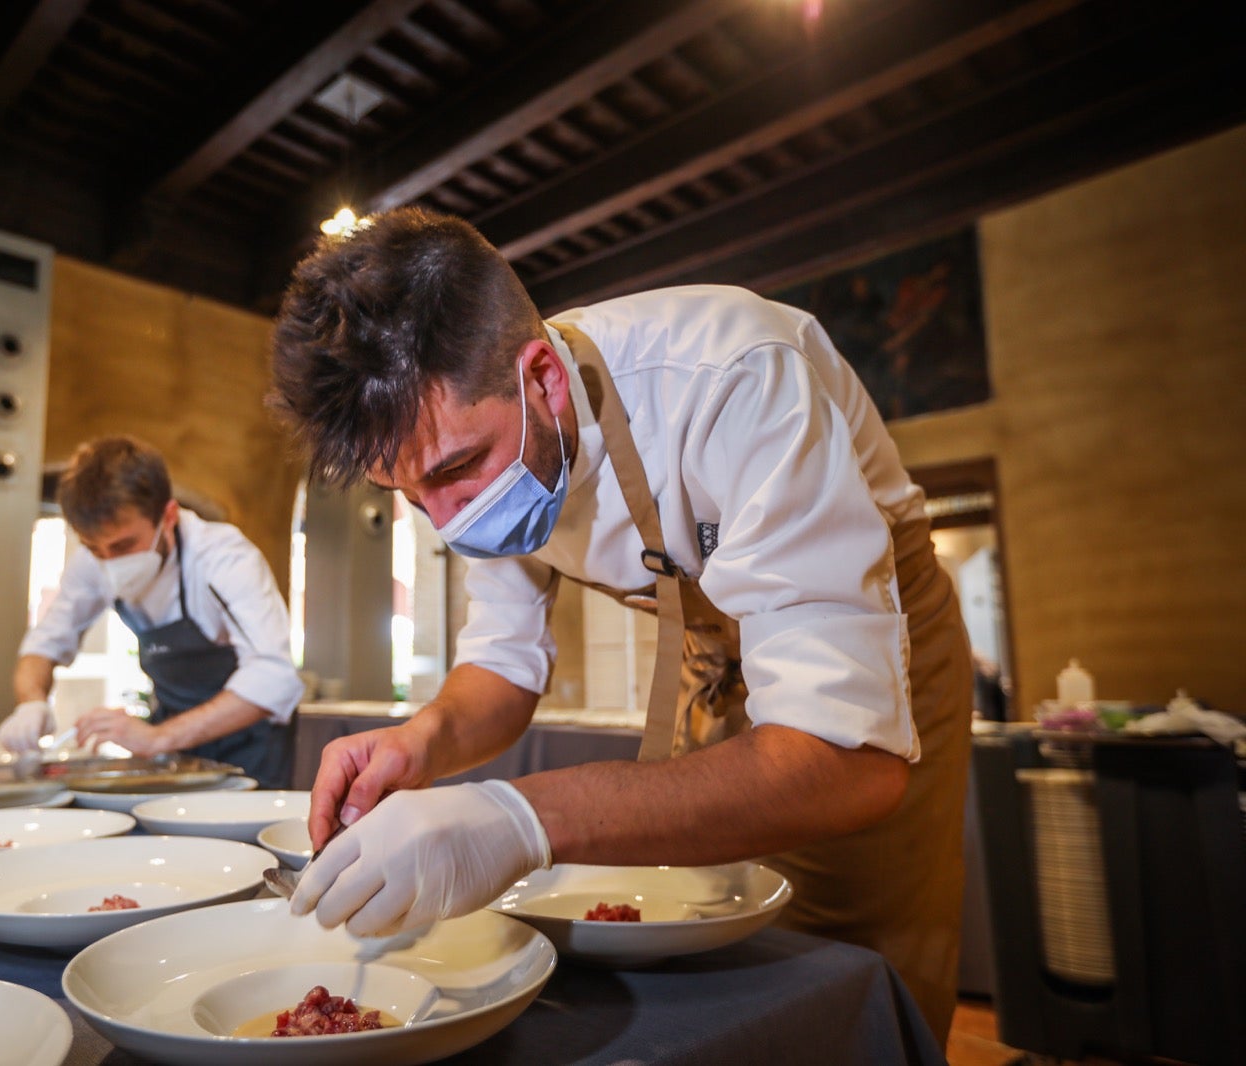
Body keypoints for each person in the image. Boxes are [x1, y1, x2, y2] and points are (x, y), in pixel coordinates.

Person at [267, 208, 972, 1042]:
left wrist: (519, 819)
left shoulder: (734, 375)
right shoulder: (484, 435)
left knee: (846, 960)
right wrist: (421, 742)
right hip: (715, 664)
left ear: (544, 379)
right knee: (701, 938)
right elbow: (504, 667)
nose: (447, 523)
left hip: (877, 646)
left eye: (459, 468)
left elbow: (847, 759)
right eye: (409, 494)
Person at [0, 435, 303, 788]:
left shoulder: (223, 558)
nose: (109, 561)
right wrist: (31, 703)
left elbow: (274, 676)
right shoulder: (92, 563)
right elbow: (44, 643)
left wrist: (157, 738)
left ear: (168, 516)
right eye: (94, 548)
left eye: (124, 545)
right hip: (174, 742)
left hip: (250, 745)